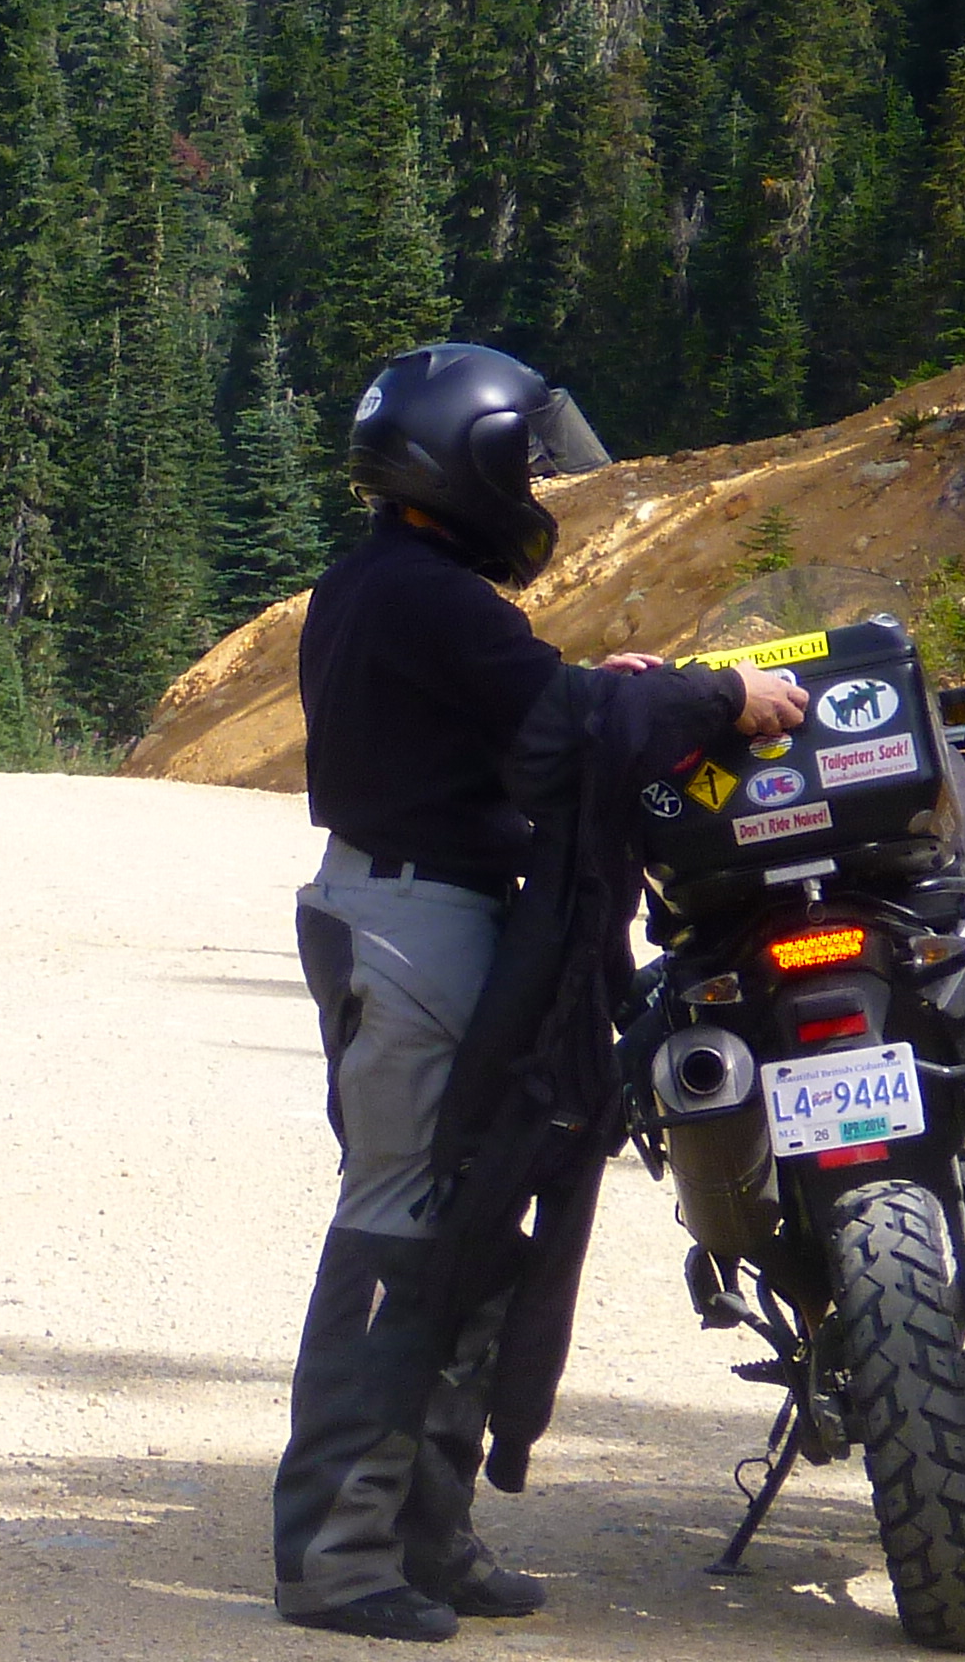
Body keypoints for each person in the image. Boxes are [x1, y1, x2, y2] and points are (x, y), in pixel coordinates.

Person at [272, 341, 812, 1642]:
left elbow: (532, 715)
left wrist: (614, 691)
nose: (532, 490)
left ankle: (427, 1534)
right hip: (417, 931)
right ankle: (336, 1557)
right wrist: (721, 696)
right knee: (405, 1232)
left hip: (408, 915)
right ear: (466, 466)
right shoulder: (431, 598)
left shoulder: (387, 584)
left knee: (469, 1227)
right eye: (520, 465)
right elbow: (564, 727)